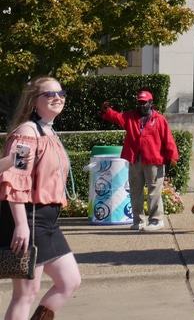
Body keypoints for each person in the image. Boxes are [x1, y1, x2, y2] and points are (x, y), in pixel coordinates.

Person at [0, 77, 82, 320]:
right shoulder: (27, 133)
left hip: (48, 221)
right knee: (25, 293)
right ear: (34, 101)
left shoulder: (48, 130)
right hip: (30, 218)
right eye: (49, 94)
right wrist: (21, 225)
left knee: (69, 281)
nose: (57, 97)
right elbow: (15, 179)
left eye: (61, 92)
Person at [101, 90, 179, 231]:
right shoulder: (130, 117)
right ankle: (139, 221)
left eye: (144, 103)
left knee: (154, 191)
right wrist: (108, 111)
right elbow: (117, 117)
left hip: (154, 160)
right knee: (135, 191)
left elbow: (168, 139)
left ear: (151, 103)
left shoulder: (159, 119)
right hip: (135, 159)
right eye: (139, 102)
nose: (141, 105)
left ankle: (156, 220)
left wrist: (172, 156)